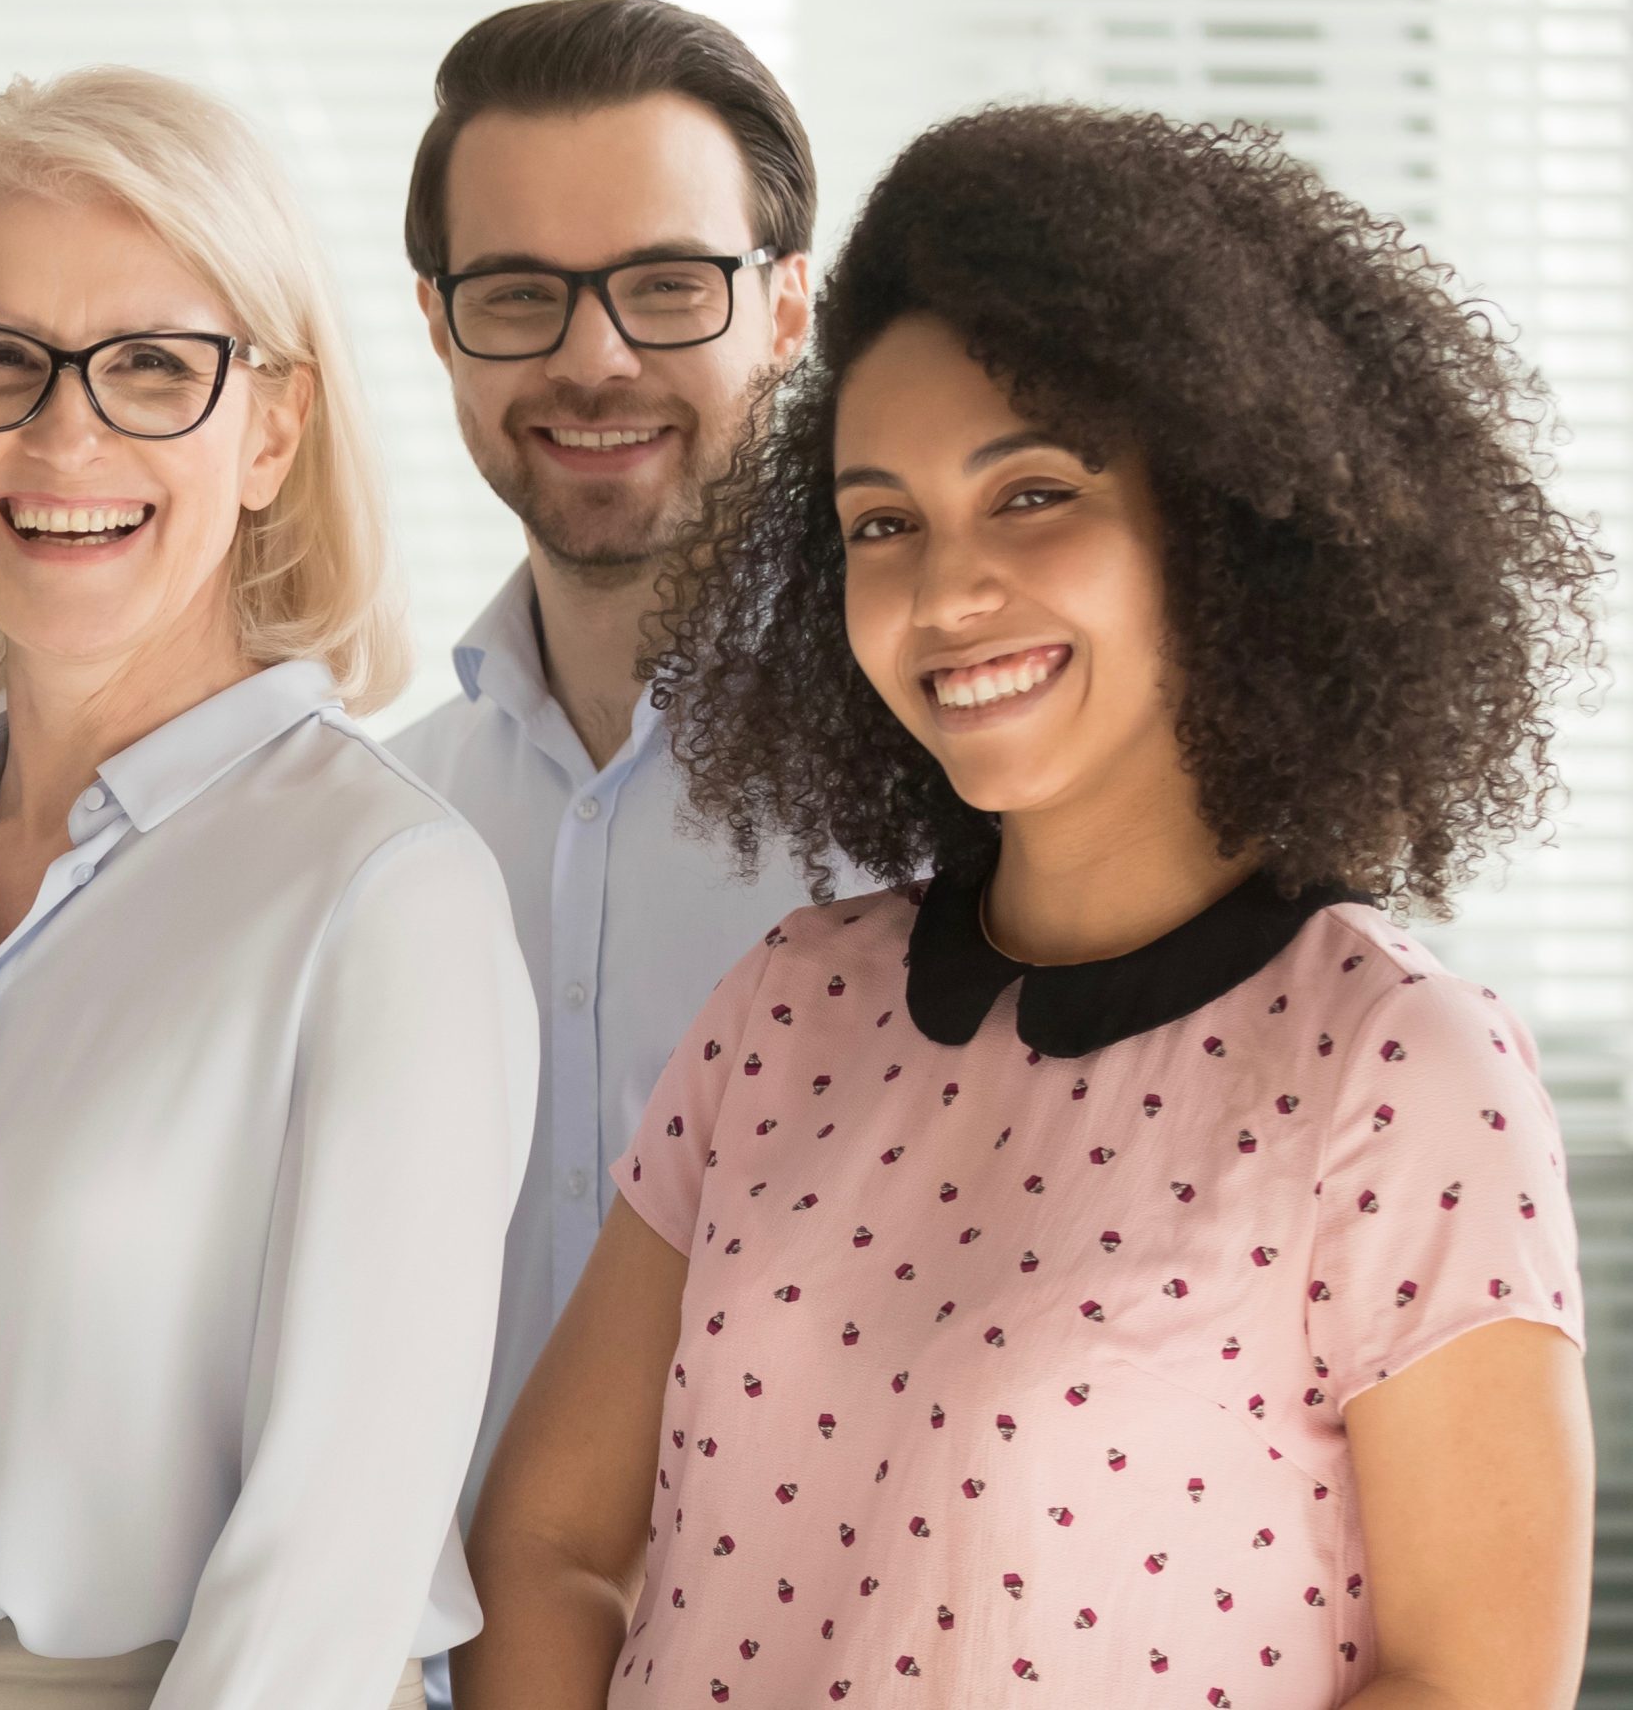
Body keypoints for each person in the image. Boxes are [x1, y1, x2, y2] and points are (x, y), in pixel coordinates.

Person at [457, 105, 1601, 1709]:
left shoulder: (1397, 1071)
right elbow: (550, 1542)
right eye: (882, 523)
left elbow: (1467, 1687)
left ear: (1218, 514)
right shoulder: (791, 1004)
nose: (944, 590)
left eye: (1035, 495)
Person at [0, 66, 536, 1710]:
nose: (63, 434)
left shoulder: (385, 893)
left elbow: (339, 1562)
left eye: (155, 368)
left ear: (271, 429)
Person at [390, 0, 819, 1520]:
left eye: (665, 285)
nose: (594, 356)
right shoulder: (379, 822)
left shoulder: (946, 810)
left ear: (788, 307)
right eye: (518, 294)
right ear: (439, 324)